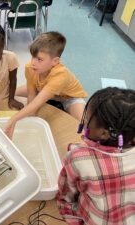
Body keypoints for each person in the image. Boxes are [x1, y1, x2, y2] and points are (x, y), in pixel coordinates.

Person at [57, 87, 135, 225]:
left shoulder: (77, 157)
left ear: (104, 134)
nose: (84, 121)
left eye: (87, 119)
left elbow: (67, 195)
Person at [5, 31, 87, 138]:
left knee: (84, 129)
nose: (33, 62)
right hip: (42, 88)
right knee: (8, 93)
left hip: (68, 97)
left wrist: (13, 119)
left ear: (55, 61)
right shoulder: (30, 68)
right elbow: (31, 96)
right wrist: (31, 117)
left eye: (39, 59)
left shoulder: (60, 74)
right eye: (33, 57)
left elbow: (38, 102)